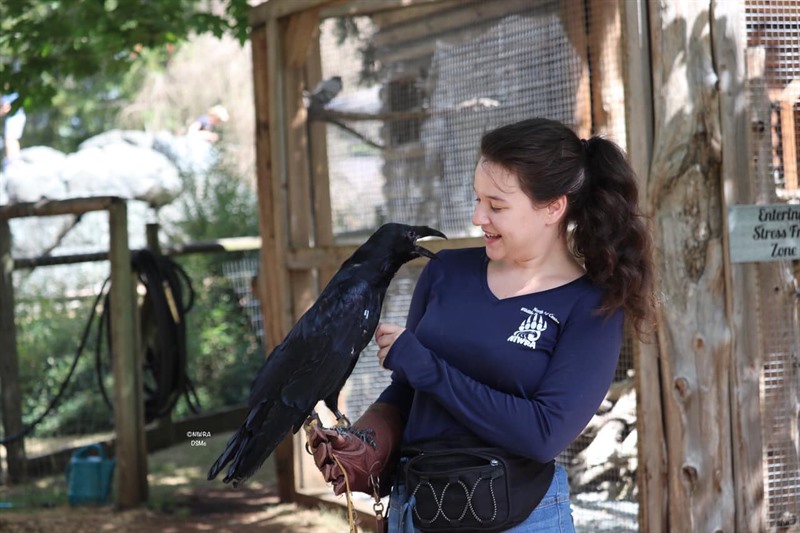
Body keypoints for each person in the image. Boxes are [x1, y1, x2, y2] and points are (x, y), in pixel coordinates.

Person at [306, 118, 655, 532]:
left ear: (553, 208)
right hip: (417, 510)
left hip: (522, 520)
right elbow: (408, 389)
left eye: (497, 205)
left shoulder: (592, 305)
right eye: (477, 199)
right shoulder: (445, 272)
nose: (478, 216)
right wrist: (365, 440)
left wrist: (428, 368)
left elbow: (543, 434)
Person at [1, 92, 26, 171]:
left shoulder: (10, 94)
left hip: (15, 117)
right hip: (16, 116)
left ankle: (12, 162)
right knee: (12, 139)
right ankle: (13, 161)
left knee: (10, 140)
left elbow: (6, 108)